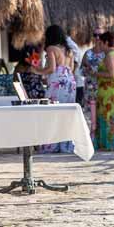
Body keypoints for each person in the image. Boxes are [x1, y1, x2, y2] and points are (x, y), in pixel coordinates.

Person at [33, 25, 77, 154]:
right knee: (67, 113)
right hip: (70, 81)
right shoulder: (69, 50)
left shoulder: (51, 48)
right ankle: (66, 145)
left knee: (52, 112)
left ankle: (51, 145)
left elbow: (51, 69)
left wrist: (36, 70)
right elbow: (71, 68)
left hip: (58, 81)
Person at [80, 28, 106, 136]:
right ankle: (92, 138)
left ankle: (103, 138)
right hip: (90, 87)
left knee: (103, 111)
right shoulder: (88, 53)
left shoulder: (107, 53)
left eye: (100, 35)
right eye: (95, 35)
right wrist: (86, 69)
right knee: (90, 114)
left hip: (104, 86)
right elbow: (81, 70)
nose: (97, 37)